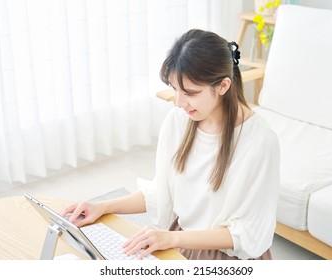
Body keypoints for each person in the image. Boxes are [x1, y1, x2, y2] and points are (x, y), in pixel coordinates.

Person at [61, 29, 280, 260]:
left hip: (229, 257)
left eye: (190, 93)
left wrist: (171, 238)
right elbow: (161, 194)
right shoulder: (179, 121)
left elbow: (247, 235)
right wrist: (102, 207)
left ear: (223, 86)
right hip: (180, 242)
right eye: (175, 89)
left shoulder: (259, 143)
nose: (179, 102)